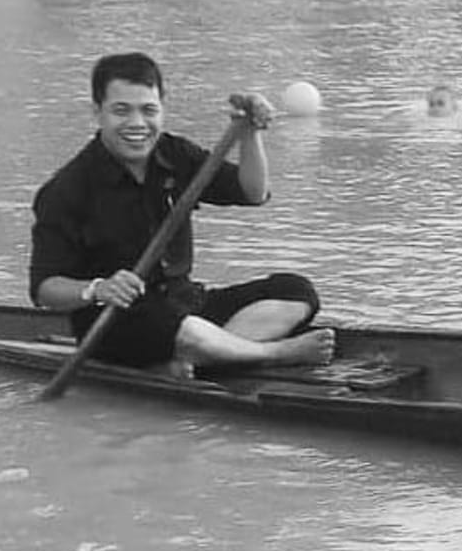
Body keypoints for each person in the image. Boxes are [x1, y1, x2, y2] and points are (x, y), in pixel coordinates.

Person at [29, 52, 335, 377]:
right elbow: (44, 289)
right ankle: (272, 353)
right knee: (169, 325)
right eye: (121, 111)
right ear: (98, 113)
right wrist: (98, 288)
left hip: (185, 304)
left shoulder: (175, 155)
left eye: (148, 110)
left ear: (162, 109)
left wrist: (249, 134)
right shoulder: (66, 190)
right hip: (117, 323)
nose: (137, 124)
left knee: (296, 291)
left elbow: (252, 192)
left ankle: (200, 358)